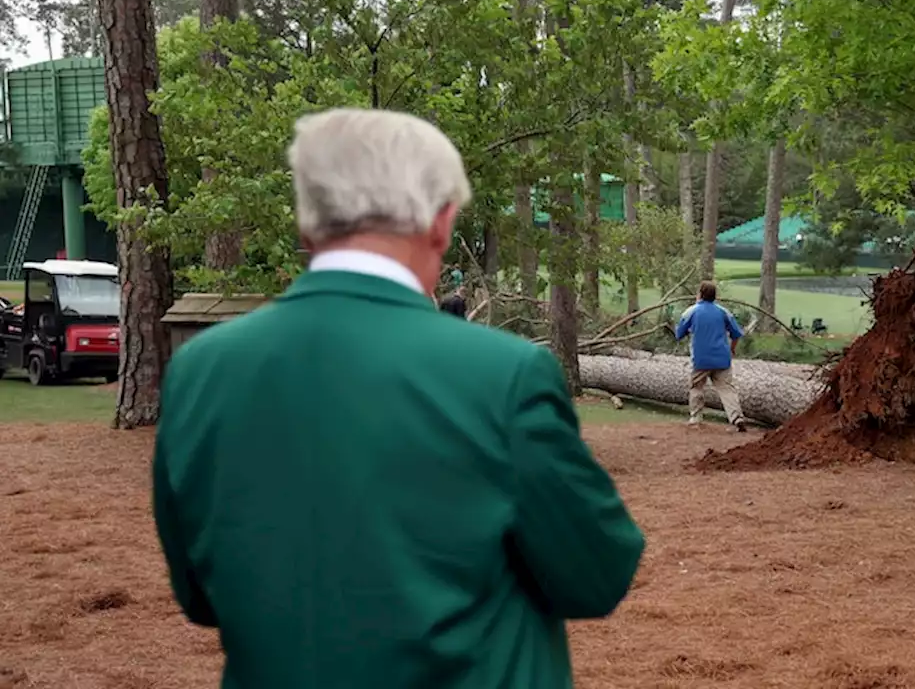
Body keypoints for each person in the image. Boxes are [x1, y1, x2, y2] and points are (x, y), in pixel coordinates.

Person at [153, 108, 645, 689]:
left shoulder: (199, 370)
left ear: (309, 227)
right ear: (441, 222)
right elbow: (596, 574)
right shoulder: (503, 374)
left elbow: (200, 596)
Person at [674, 280, 747, 432]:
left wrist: (688, 330)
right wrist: (732, 349)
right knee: (727, 389)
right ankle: (736, 418)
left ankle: (696, 418)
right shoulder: (724, 312)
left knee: (696, 387)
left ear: (700, 294)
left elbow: (678, 334)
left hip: (701, 359)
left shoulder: (691, 312)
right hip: (722, 358)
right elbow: (736, 334)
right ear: (714, 296)